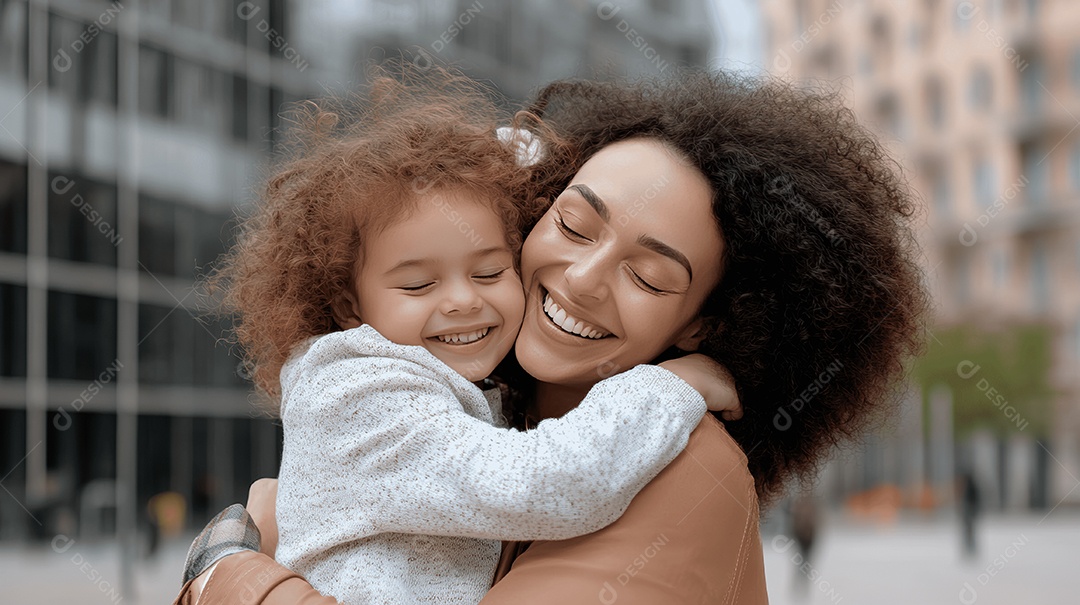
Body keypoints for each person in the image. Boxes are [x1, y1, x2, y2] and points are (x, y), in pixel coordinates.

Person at [176, 67, 926, 604]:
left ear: (706, 322)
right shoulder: (457, 408)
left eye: (649, 276)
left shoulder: (685, 468)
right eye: (572, 222)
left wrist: (228, 574)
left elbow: (545, 481)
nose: (585, 277)